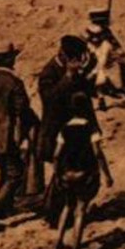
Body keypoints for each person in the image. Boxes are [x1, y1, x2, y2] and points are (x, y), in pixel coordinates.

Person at [0, 40, 39, 234]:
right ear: (9, 59)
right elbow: (21, 109)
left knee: (5, 171)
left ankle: (3, 211)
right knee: (16, 174)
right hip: (10, 135)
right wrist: (33, 124)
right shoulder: (14, 83)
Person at [49, 91, 116, 249]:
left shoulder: (64, 128)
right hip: (84, 174)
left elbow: (56, 154)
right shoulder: (90, 128)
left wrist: (57, 173)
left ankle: (58, 241)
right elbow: (98, 153)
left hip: (67, 174)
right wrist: (107, 175)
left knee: (67, 206)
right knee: (80, 210)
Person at [35, 35, 94, 205]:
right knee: (61, 171)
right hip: (55, 129)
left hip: (74, 129)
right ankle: (54, 211)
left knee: (69, 169)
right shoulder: (49, 72)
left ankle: (57, 210)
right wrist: (68, 77)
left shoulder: (75, 70)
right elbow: (50, 99)